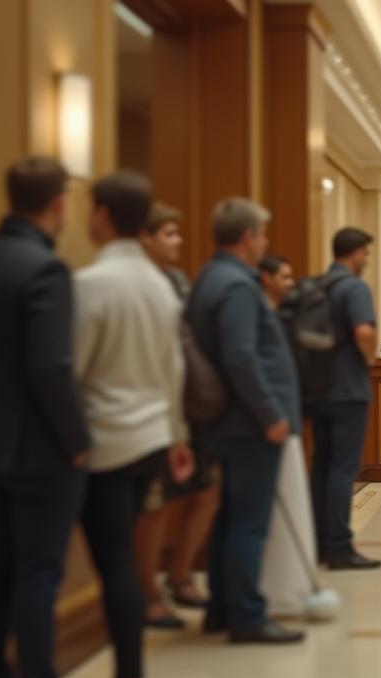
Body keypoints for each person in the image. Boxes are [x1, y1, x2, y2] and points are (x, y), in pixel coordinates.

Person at [0, 156, 111, 678]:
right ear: (58, 204)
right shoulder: (46, 269)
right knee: (38, 572)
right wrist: (77, 439)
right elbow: (51, 368)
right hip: (42, 447)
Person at [72, 171, 194, 678]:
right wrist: (178, 434)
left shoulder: (91, 284)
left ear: (100, 215)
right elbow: (173, 368)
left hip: (106, 438)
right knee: (125, 553)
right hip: (152, 436)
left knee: (115, 560)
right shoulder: (159, 284)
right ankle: (130, 673)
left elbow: (71, 370)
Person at [186, 197, 304, 644]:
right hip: (248, 422)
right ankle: (246, 616)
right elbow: (240, 355)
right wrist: (270, 413)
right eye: (262, 235)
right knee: (249, 521)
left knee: (230, 516)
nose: (265, 243)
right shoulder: (236, 285)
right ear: (248, 236)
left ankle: (222, 607)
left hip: (227, 419)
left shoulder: (209, 276)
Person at [132, 202, 221, 630]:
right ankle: (147, 591)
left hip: (189, 404)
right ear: (144, 237)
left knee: (206, 491)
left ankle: (181, 575)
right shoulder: (134, 284)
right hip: (150, 407)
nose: (178, 241)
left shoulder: (179, 282)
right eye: (168, 233)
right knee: (157, 502)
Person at [309, 227, 381, 570]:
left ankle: (319, 543)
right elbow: (364, 331)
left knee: (322, 466)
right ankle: (340, 547)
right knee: (342, 469)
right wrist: (368, 360)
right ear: (355, 253)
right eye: (365, 254)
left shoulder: (317, 285)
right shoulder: (354, 287)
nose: (365, 261)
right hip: (347, 389)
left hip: (317, 388)